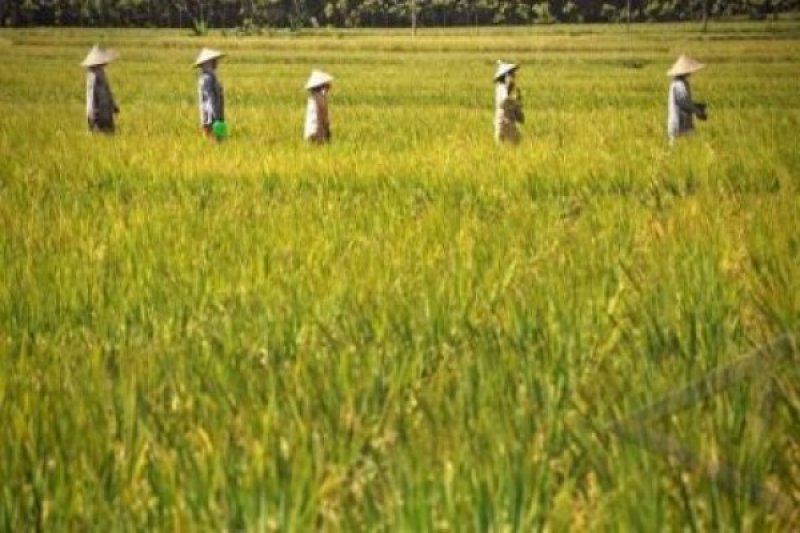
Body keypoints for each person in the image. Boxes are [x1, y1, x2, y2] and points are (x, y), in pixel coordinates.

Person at [666, 55, 707, 144]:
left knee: (687, 148)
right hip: (679, 124)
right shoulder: (679, 84)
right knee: (681, 148)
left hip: (683, 123)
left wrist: (696, 105)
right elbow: (683, 102)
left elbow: (684, 101)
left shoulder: (680, 83)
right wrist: (697, 111)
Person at [82, 44, 120, 134]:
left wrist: (113, 105)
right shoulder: (93, 76)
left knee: (108, 134)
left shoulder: (100, 73)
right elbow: (91, 96)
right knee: (100, 134)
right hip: (98, 113)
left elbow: (107, 92)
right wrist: (92, 113)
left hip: (105, 110)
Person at [194, 48, 226, 140]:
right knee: (214, 141)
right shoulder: (207, 79)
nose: (216, 62)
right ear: (207, 63)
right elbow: (209, 100)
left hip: (215, 117)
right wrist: (215, 117)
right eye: (213, 60)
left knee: (219, 142)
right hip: (210, 118)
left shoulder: (210, 77)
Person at [494, 60, 524, 144]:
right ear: (506, 76)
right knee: (517, 142)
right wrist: (515, 100)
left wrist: (516, 100)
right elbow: (504, 101)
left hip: (501, 123)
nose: (514, 76)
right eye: (511, 73)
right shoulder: (502, 87)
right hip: (505, 123)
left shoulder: (503, 88)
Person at [304, 70, 334, 144]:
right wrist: (323, 136)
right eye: (326, 84)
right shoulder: (319, 99)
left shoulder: (313, 97)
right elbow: (321, 118)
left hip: (312, 133)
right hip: (316, 134)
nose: (329, 86)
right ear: (321, 85)